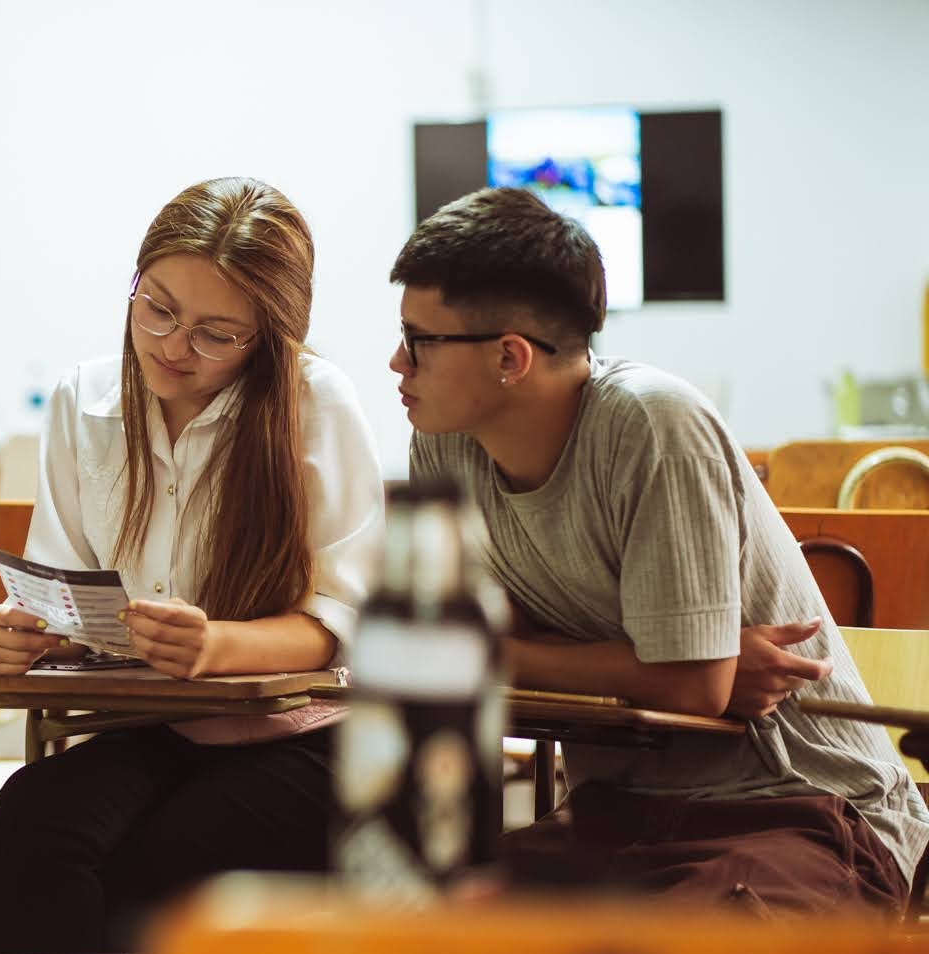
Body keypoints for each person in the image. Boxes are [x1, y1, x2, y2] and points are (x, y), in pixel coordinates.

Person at [0, 177, 383, 954]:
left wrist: (221, 645)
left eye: (214, 332)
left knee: (114, 880)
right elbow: (67, 591)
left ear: (268, 335)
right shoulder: (82, 400)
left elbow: (345, 619)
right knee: (32, 816)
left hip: (307, 736)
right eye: (156, 308)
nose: (173, 346)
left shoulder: (316, 403)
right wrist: (24, 635)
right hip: (156, 724)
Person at [393, 186, 927, 912]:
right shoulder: (443, 446)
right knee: (414, 927)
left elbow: (689, 687)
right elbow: (473, 641)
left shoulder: (651, 424)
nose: (397, 363)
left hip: (799, 809)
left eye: (419, 341)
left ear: (510, 358)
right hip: (616, 814)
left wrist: (509, 653)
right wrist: (663, 668)